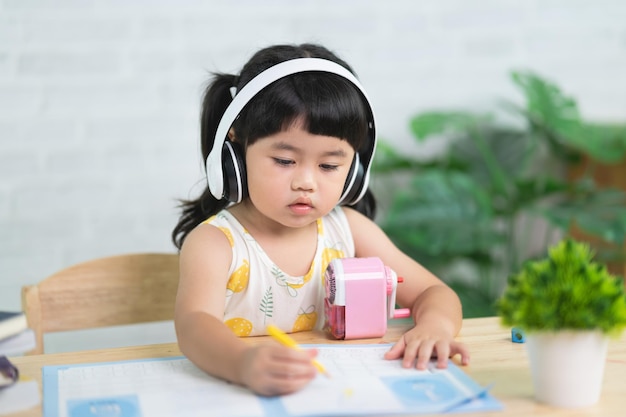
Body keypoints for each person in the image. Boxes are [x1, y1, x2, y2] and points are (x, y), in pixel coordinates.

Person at [172, 43, 469, 397]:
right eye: (285, 161)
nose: (306, 182)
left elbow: (434, 293)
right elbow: (193, 325)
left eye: (329, 166)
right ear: (237, 149)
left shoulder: (347, 230)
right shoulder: (217, 244)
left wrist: (435, 325)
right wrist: (244, 363)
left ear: (356, 169)